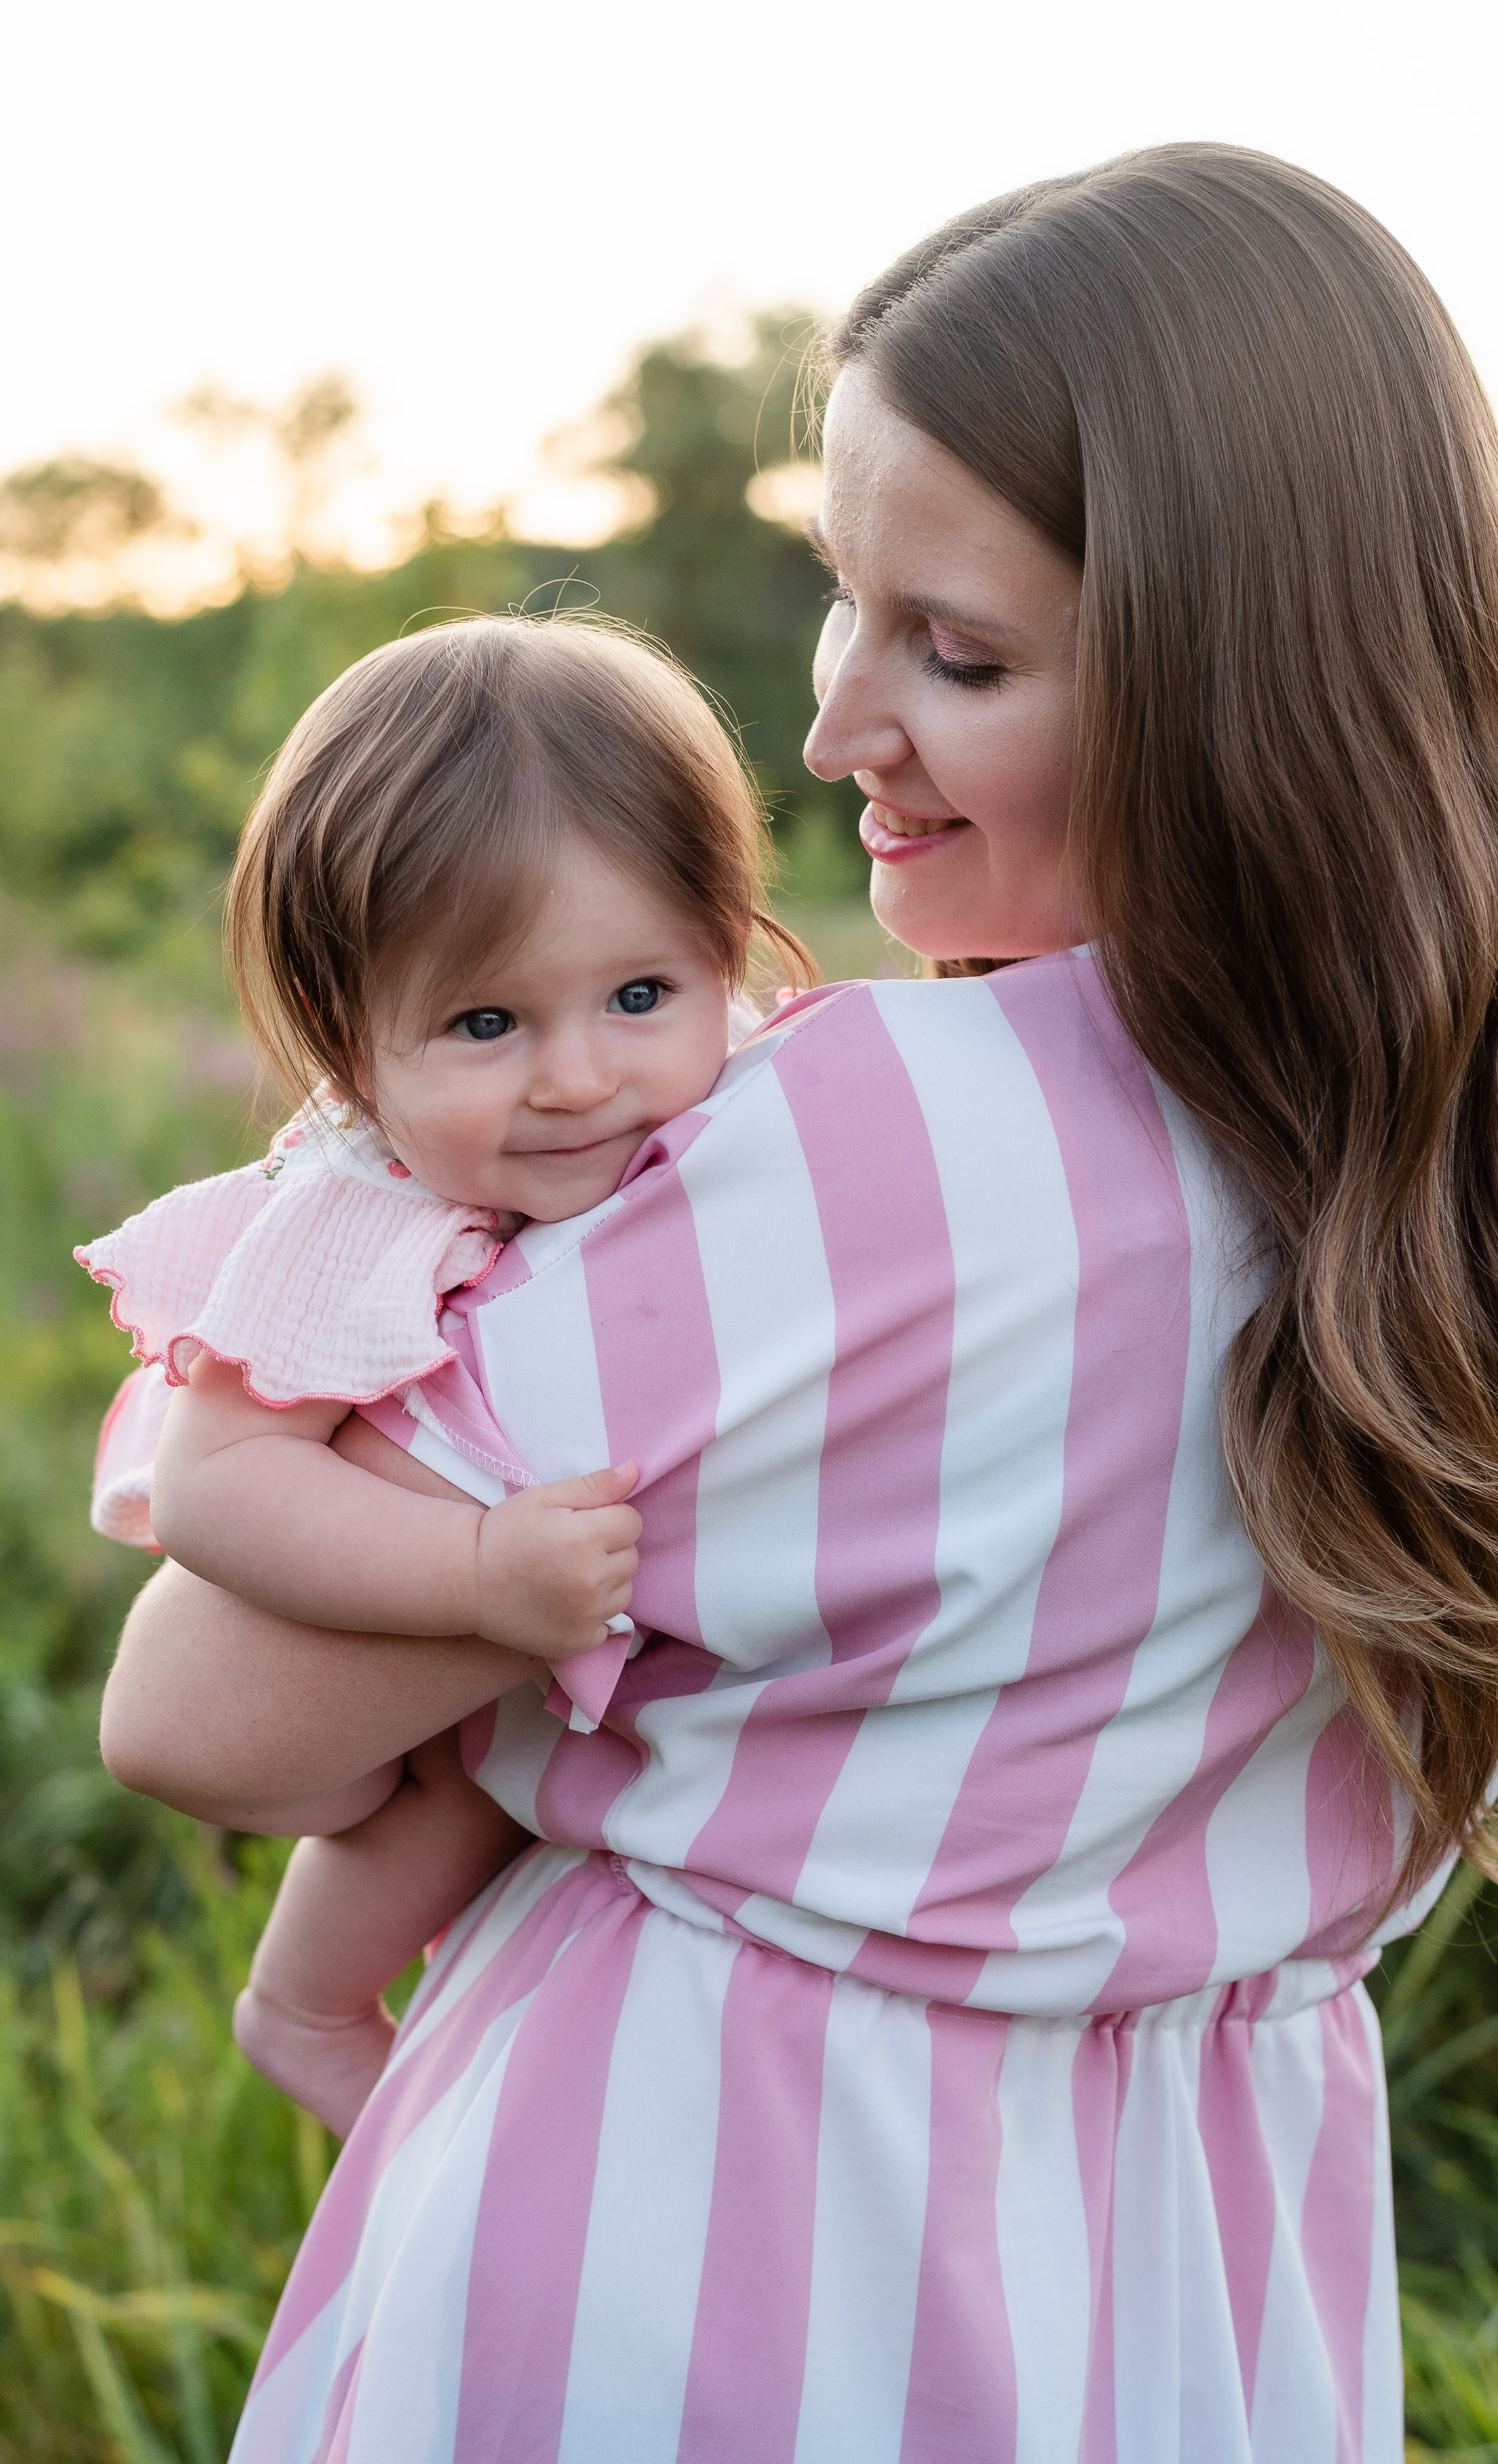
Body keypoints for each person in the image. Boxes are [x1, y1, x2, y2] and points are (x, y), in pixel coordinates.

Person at [99, 144, 1498, 2463]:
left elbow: (205, 1712)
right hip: (1205, 2291)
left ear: (1241, 688)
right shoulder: (1436, 1159)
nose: (838, 724)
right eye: (843, 600)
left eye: (958, 654)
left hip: (693, 2252)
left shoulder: (872, 1154)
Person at [77, 615, 814, 2135]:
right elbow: (218, 1488)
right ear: (352, 1044)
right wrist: (474, 1572)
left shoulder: (744, 1085)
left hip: (537, 1677)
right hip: (348, 1610)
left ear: (722, 948)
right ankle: (304, 2005)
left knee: (500, 1778)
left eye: (637, 997)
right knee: (446, 1785)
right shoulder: (358, 1209)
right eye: (484, 1023)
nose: (574, 1075)